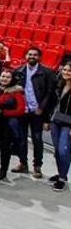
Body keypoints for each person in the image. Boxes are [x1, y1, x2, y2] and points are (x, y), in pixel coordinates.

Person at [12, 47, 57, 179]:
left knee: (37, 140)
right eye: (30, 54)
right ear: (25, 56)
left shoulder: (47, 72)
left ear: (39, 57)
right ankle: (23, 164)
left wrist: (42, 109)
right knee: (21, 138)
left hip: (37, 112)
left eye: (35, 55)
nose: (32, 56)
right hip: (22, 111)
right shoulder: (18, 71)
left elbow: (50, 94)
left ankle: (37, 167)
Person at [49, 61, 71, 191]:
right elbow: (52, 103)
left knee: (64, 151)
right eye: (65, 70)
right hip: (54, 120)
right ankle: (60, 174)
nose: (66, 72)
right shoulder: (59, 84)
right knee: (57, 151)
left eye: (69, 71)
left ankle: (62, 178)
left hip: (68, 123)